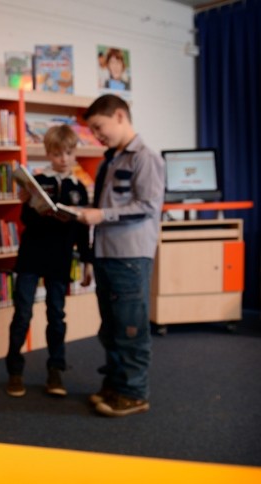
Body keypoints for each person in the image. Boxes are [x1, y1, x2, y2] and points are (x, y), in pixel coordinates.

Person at [78, 94, 165, 417]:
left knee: (131, 328)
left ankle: (134, 393)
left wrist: (101, 216)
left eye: (99, 127)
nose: (98, 135)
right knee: (111, 328)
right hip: (105, 254)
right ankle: (116, 384)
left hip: (129, 256)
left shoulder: (146, 158)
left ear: (119, 116)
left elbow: (146, 207)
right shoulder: (109, 160)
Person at [5, 124, 93, 398]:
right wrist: (29, 203)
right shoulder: (38, 181)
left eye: (68, 153)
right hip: (32, 255)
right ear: (48, 154)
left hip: (60, 259)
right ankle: (15, 371)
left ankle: (56, 371)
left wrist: (87, 262)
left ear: (74, 153)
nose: (63, 159)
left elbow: (82, 230)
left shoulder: (79, 188)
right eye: (57, 154)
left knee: (57, 315)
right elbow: (26, 221)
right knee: (23, 314)